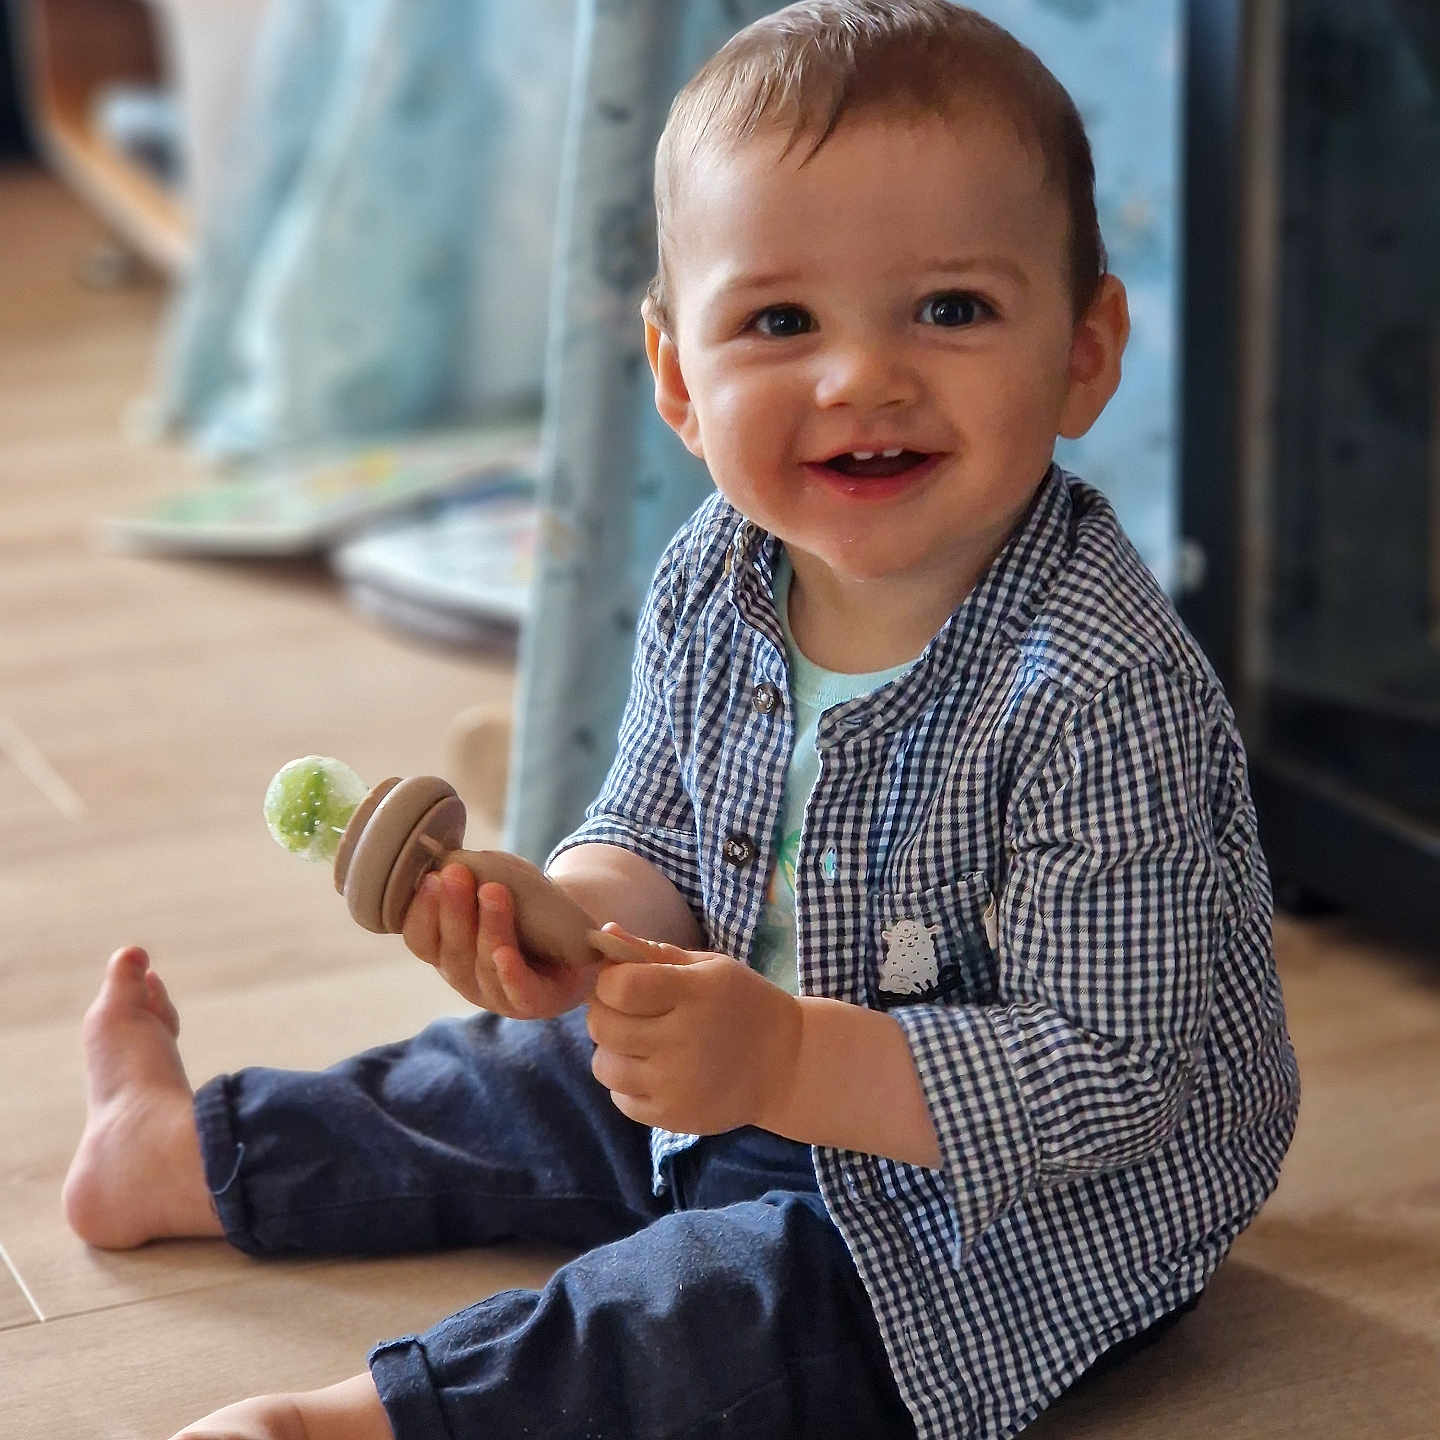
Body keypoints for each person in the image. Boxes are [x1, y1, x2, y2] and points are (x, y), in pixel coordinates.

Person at [63, 3, 1301, 1437]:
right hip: (727, 1061)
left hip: (999, 1214)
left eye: (950, 309)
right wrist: (558, 921)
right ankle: (183, 1156)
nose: (861, 378)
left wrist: (784, 1063)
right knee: (497, 1079)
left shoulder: (1103, 686)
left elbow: (1111, 1078)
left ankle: (368, 1423)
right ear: (675, 379)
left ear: (1085, 351)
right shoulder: (716, 573)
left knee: (698, 1319)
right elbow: (653, 828)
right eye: (781, 321)